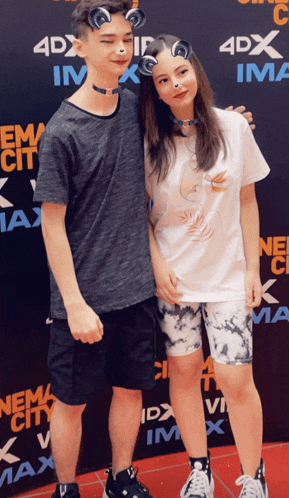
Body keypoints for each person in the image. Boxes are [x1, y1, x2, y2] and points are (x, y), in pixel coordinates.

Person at [33, 2, 157, 498]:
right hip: (80, 305)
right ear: (79, 48)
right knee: (71, 402)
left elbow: (187, 121)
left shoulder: (135, 105)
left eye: (127, 39)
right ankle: (66, 488)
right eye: (107, 41)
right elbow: (51, 226)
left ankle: (121, 477)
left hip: (137, 292)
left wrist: (230, 125)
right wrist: (75, 303)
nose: (121, 50)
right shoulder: (61, 131)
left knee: (130, 392)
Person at [139, 35, 270, 498]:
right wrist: (157, 267)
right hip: (174, 282)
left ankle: (253, 477)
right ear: (153, 89)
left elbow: (248, 199)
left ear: (196, 71)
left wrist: (252, 270)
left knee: (236, 378)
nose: (175, 83)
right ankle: (200, 470)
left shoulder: (233, 127)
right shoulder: (147, 140)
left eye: (181, 72)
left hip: (228, 278)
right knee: (184, 374)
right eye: (163, 79)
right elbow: (138, 214)